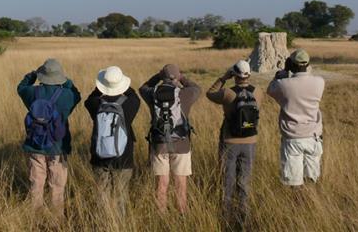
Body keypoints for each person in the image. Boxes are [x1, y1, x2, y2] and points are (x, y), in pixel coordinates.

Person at [17, 58, 81, 216]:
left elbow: (21, 88)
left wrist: (32, 76)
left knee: (36, 182)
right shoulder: (67, 95)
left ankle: (36, 214)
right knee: (57, 184)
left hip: (35, 145)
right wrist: (66, 81)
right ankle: (57, 216)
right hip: (58, 146)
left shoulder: (32, 92)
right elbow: (77, 95)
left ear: (42, 76)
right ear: (59, 76)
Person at [206, 59, 264, 229]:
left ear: (235, 74)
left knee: (228, 179)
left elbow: (210, 93)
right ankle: (243, 215)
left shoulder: (227, 93)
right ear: (249, 75)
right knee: (244, 180)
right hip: (250, 141)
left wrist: (223, 78)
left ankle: (226, 215)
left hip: (230, 140)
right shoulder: (258, 92)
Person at [139, 64, 201, 213]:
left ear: (162, 77)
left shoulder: (151, 93)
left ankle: (161, 217)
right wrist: (182, 78)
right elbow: (197, 88)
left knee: (161, 184)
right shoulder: (184, 94)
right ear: (177, 77)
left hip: (159, 144)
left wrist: (157, 76)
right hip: (181, 144)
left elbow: (142, 87)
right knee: (181, 184)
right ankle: (182, 215)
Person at [84, 66, 141, 217]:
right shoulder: (131, 104)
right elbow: (134, 95)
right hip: (124, 157)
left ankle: (103, 223)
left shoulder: (95, 104)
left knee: (101, 195)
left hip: (99, 156)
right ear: (122, 84)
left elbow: (89, 99)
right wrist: (124, 86)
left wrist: (100, 88)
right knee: (121, 195)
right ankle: (119, 224)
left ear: (103, 85)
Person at [267, 49, 325, 187]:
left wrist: (280, 75)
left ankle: (295, 206)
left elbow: (270, 89)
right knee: (312, 179)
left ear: (291, 64)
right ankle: (311, 205)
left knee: (293, 183)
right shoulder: (319, 82)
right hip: (313, 137)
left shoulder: (283, 84)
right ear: (308, 64)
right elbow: (307, 77)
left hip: (293, 138)